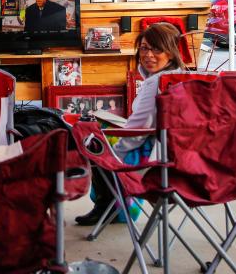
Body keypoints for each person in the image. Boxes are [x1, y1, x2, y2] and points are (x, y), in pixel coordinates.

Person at [75, 22, 186, 226]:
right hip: (180, 156)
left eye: (157, 49)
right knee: (105, 128)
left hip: (152, 157)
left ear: (170, 53)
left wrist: (111, 154)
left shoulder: (155, 83)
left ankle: (109, 208)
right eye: (144, 48)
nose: (148, 55)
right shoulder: (180, 76)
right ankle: (115, 206)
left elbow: (137, 132)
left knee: (93, 141)